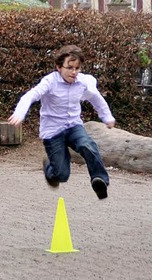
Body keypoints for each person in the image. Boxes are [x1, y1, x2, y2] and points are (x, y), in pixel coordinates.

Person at [8, 45, 115, 200]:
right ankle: (50, 170)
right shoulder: (50, 81)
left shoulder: (82, 81)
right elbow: (31, 96)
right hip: (53, 131)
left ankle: (99, 180)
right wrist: (19, 113)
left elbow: (96, 98)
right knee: (62, 175)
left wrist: (107, 117)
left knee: (87, 145)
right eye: (70, 68)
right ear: (59, 67)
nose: (74, 72)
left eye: (77, 68)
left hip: (73, 126)